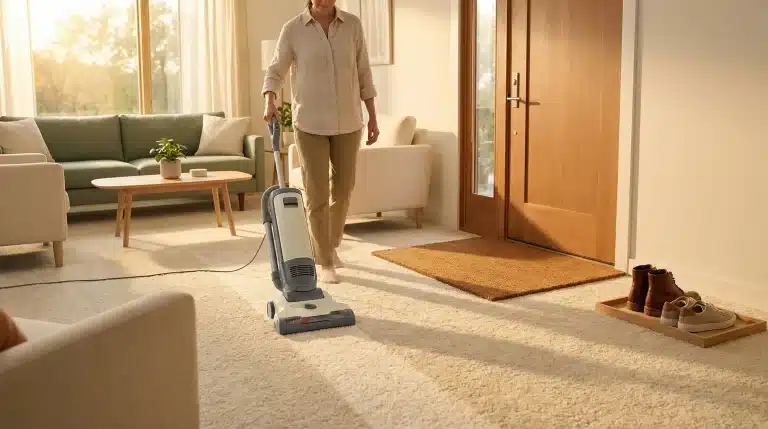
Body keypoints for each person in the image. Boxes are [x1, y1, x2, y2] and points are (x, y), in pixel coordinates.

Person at [262, 0, 379, 284]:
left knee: (344, 188)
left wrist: (372, 117)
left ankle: (328, 242)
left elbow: (364, 72)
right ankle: (324, 260)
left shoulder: (352, 26)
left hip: (349, 122)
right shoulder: (293, 29)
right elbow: (276, 69)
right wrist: (269, 100)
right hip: (310, 124)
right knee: (316, 194)